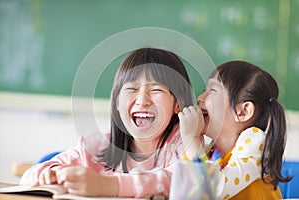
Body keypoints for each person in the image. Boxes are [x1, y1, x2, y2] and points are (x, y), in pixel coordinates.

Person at [20, 48, 194, 198]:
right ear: (117, 102)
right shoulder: (97, 147)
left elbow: (186, 182)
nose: (142, 100)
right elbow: (29, 177)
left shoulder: (186, 145)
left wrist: (108, 185)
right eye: (131, 89)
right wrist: (51, 175)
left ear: (178, 103)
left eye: (156, 90)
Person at [179, 60, 292, 199]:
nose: (200, 98)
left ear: (243, 112)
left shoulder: (255, 142)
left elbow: (213, 190)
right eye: (204, 91)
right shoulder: (211, 151)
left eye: (212, 92)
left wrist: (191, 138)